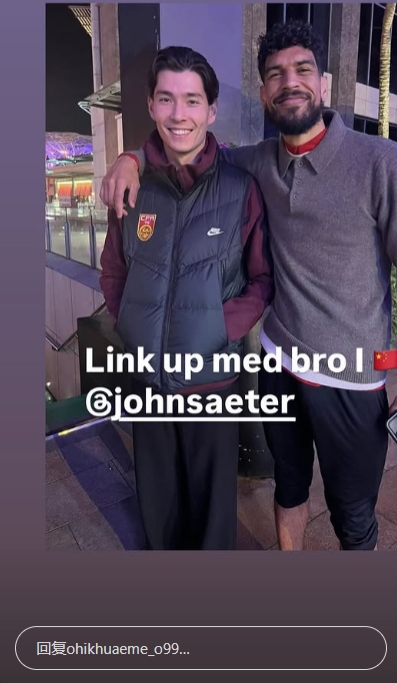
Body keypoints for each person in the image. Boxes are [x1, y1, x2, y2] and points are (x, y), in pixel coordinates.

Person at [100, 21, 397, 552]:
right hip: (279, 364)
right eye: (276, 74)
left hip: (352, 377)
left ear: (324, 83)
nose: (290, 82)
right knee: (288, 489)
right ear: (263, 92)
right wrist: (131, 158)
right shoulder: (257, 161)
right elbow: (189, 148)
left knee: (354, 516)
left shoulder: (382, 163)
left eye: (302, 69)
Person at [99, 46, 273, 550]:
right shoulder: (131, 188)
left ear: (211, 110)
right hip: (147, 381)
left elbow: (262, 280)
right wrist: (135, 327)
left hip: (211, 384)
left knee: (212, 517)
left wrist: (215, 329)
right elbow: (114, 271)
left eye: (192, 100)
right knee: (158, 510)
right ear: (151, 105)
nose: (179, 114)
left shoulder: (240, 189)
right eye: (167, 99)